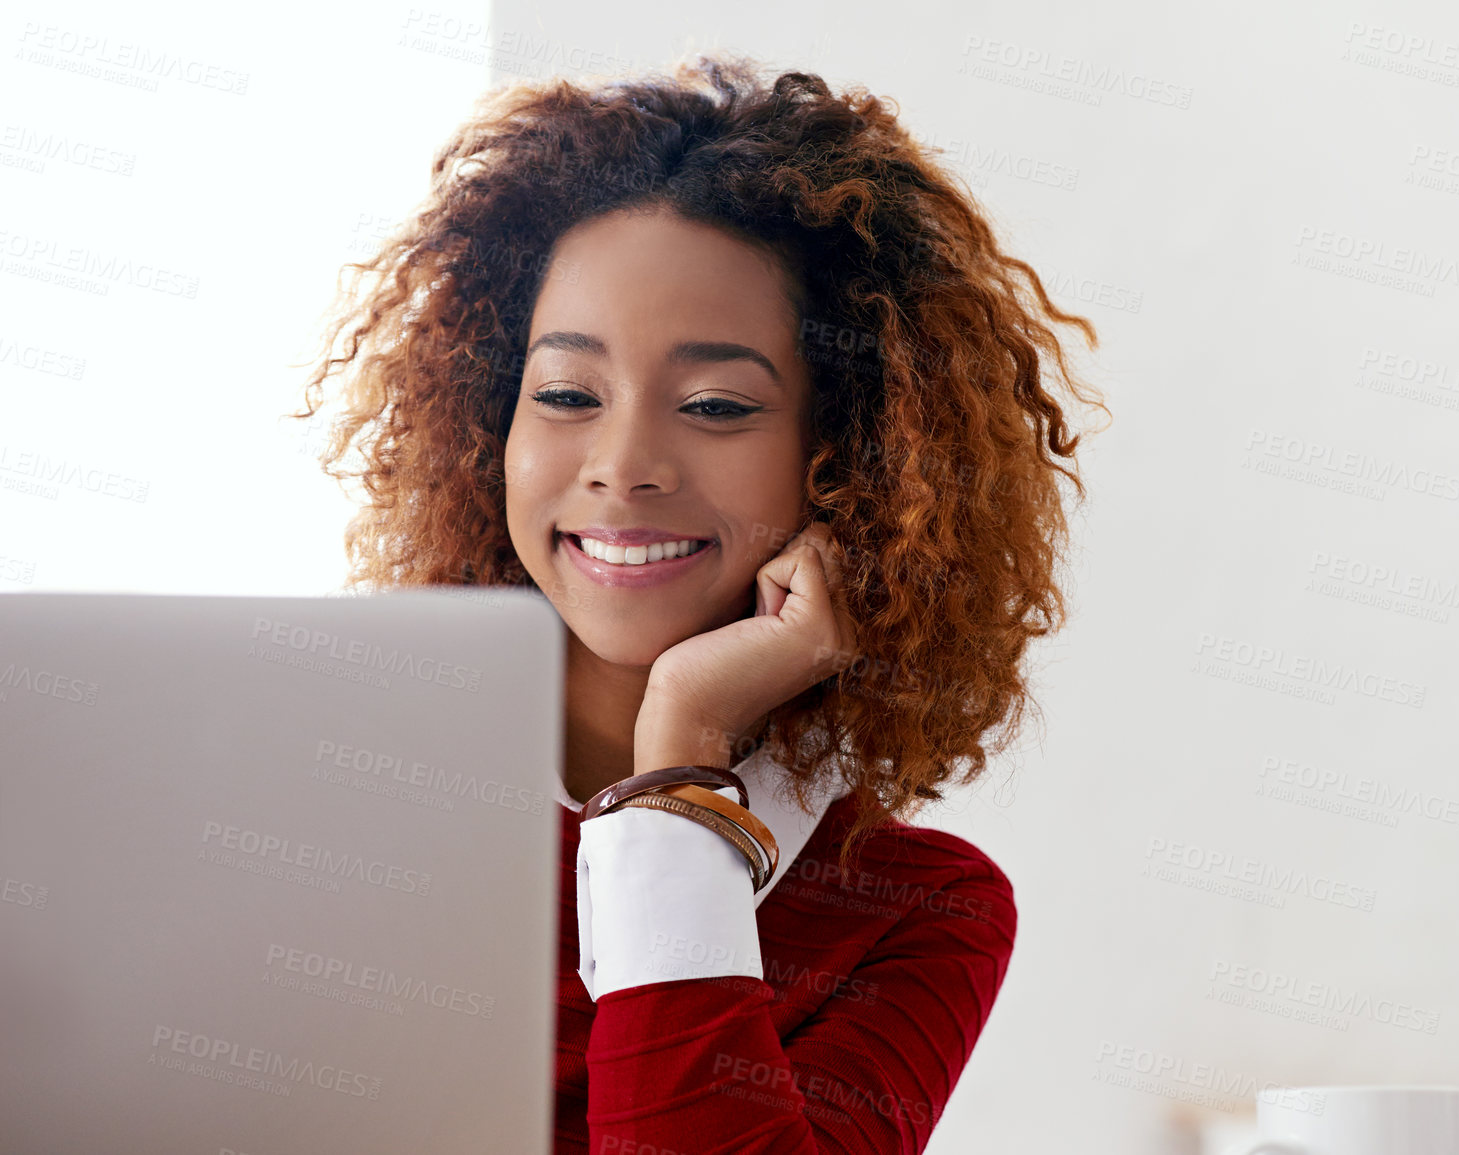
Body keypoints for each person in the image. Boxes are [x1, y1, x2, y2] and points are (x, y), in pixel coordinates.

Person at [294, 51, 1109, 1153]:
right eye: (568, 395)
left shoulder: (921, 913)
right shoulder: (341, 810)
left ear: (849, 456)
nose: (623, 464)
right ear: (493, 427)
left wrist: (676, 764)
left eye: (717, 404)